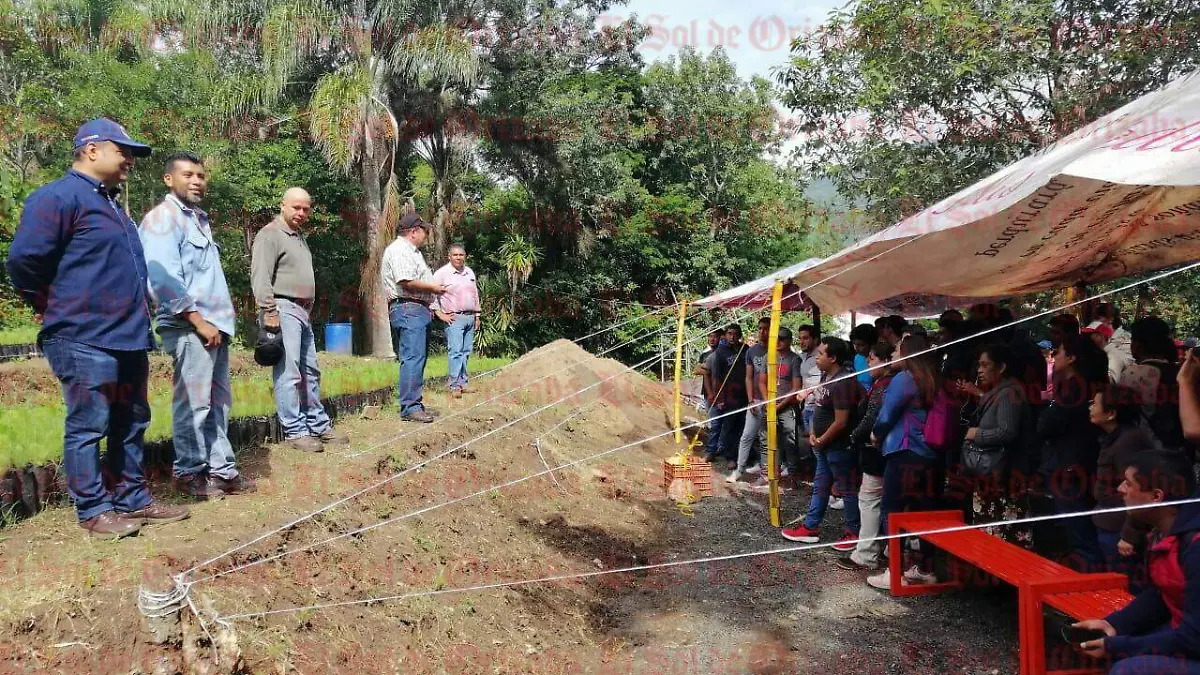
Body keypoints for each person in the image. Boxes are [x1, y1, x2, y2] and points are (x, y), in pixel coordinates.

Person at [5, 118, 189, 537]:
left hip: (126, 336)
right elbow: (23, 261)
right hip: (83, 336)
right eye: (122, 151)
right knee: (90, 423)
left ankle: (132, 500)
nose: (129, 160)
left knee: (132, 420)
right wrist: (46, 304)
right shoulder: (57, 198)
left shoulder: (110, 204)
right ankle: (93, 510)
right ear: (91, 150)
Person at [140, 152, 253, 498]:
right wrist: (198, 321)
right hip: (191, 327)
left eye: (201, 175)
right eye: (188, 174)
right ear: (168, 180)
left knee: (218, 404)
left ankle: (222, 470)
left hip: (213, 326)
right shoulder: (162, 220)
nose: (197, 181)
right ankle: (190, 472)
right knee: (193, 403)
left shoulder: (198, 220)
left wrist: (215, 323)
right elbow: (162, 279)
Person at [1073, 452, 1200, 674]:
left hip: (1193, 641)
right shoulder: (1165, 534)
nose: (1121, 489)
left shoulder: (1195, 546)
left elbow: (1193, 638)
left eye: (1129, 483)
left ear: (1156, 496)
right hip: (1188, 635)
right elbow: (1162, 593)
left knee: (1127, 670)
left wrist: (1118, 646)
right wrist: (1115, 624)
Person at [251, 188, 350, 449]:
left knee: (310, 371)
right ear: (282, 205)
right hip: (283, 308)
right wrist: (269, 311)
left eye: (306, 209)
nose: (301, 213)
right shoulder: (270, 235)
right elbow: (260, 277)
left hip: (302, 312)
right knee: (289, 371)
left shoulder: (298, 237)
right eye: (296, 207)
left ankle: (317, 425)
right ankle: (295, 430)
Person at [866, 335, 943, 591]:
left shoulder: (904, 379)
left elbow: (887, 414)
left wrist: (876, 434)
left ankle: (894, 573)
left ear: (909, 353)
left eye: (899, 349)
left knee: (892, 510)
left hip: (903, 451)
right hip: (928, 455)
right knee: (926, 513)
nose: (894, 353)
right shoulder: (932, 378)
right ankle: (926, 569)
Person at [783, 337, 862, 550]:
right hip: (823, 446)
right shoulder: (828, 375)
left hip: (839, 446)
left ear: (833, 358)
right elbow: (820, 405)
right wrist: (812, 434)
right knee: (820, 486)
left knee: (847, 489)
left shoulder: (844, 381)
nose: (816, 358)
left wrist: (821, 439)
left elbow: (841, 421)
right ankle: (811, 527)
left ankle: (854, 533)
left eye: (821, 354)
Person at [1040, 334, 1109, 570]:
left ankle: (1090, 585)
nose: (1054, 356)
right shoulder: (1085, 384)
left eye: (1058, 351)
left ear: (1071, 358)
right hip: (1082, 460)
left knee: (1079, 527)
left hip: (1069, 464)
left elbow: (1048, 425)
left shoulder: (1073, 389)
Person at [381, 212, 449, 422]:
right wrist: (434, 288)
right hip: (408, 307)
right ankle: (410, 407)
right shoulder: (400, 250)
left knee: (417, 357)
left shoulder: (412, 252)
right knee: (412, 357)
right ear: (414, 231)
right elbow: (405, 280)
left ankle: (414, 404)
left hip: (416, 308)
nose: (426, 235)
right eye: (424, 231)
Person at [958, 344, 1034, 524]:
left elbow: (1007, 431)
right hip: (995, 476)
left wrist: (976, 434)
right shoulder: (999, 391)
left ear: (1001, 367)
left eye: (986, 365)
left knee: (1001, 534)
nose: (979, 371)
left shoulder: (1008, 393)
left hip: (1004, 475)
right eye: (979, 365)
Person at [1090, 383, 1155, 589]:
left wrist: (1129, 535)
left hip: (1119, 529)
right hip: (1110, 522)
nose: (1090, 407)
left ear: (1111, 414)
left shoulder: (1128, 442)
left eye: (1095, 403)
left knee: (1124, 584)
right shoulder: (1117, 438)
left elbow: (1139, 492)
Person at [838, 341, 896, 572]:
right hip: (886, 450)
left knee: (869, 500)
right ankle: (886, 549)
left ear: (885, 361)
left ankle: (866, 554)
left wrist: (855, 435)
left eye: (872, 359)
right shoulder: (886, 383)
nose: (868, 364)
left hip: (876, 450)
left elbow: (872, 418)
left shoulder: (883, 386)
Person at [745, 328, 803, 490]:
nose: (778, 342)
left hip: (787, 407)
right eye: (775, 338)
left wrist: (779, 405)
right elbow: (761, 382)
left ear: (790, 341)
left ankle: (792, 477)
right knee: (766, 441)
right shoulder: (767, 358)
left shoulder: (794, 360)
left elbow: (796, 387)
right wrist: (768, 401)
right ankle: (767, 475)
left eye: (782, 339)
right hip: (769, 406)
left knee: (790, 442)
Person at [1122, 317, 1187, 456]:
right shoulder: (1182, 373)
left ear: (1138, 344)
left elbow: (1122, 417)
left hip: (1146, 453)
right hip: (1182, 453)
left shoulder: (1132, 374)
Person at [431, 243, 480, 399]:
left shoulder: (469, 272)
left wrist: (477, 315)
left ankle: (463, 383)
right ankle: (454, 385)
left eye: (461, 255)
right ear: (449, 256)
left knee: (466, 351)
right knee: (455, 351)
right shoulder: (441, 274)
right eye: (455, 255)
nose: (458, 257)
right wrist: (440, 315)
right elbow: (432, 297)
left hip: (470, 317)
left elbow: (475, 294)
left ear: (465, 256)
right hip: (454, 318)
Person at [729, 318, 774, 482]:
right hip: (755, 399)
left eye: (766, 329)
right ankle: (739, 470)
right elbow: (748, 377)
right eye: (760, 328)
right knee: (747, 435)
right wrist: (750, 400)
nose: (763, 332)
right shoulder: (751, 351)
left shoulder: (777, 349)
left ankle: (765, 473)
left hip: (774, 401)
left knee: (765, 438)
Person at [703, 324, 748, 464]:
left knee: (741, 427)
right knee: (726, 426)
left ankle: (741, 456)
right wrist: (718, 397)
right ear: (726, 335)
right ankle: (729, 457)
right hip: (728, 396)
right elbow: (715, 376)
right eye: (729, 333)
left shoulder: (745, 349)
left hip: (744, 394)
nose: (732, 336)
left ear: (740, 335)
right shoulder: (720, 352)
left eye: (735, 334)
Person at [797, 324, 822, 469]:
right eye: (800, 338)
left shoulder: (820, 357)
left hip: (818, 407)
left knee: (817, 447)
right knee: (812, 446)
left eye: (805, 338)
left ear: (815, 339)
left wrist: (807, 392)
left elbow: (822, 382)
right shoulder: (804, 357)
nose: (802, 341)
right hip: (807, 407)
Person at [1095, 303, 1135, 384]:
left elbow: (1127, 364)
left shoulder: (1126, 340)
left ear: (1110, 319)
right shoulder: (1097, 339)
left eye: (1097, 319)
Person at [850, 324, 878, 390]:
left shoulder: (878, 361)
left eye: (860, 345)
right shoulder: (857, 357)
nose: (856, 348)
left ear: (872, 344)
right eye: (855, 344)